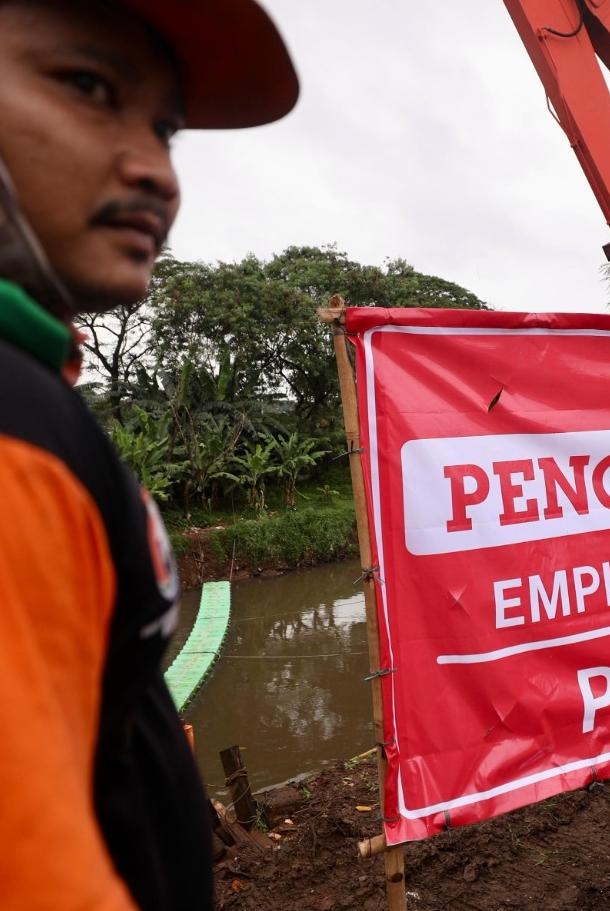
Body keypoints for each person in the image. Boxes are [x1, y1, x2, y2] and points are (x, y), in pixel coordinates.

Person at [0, 3, 298, 910]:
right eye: (88, 87)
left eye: (165, 127)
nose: (157, 172)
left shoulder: (37, 390)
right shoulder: (18, 439)